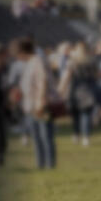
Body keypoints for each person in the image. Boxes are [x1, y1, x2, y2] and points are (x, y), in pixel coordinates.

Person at [16, 38, 57, 170]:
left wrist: (41, 101)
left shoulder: (37, 61)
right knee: (36, 137)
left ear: (22, 51)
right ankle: (40, 164)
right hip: (30, 106)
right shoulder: (29, 63)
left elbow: (42, 80)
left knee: (45, 136)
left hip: (39, 105)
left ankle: (49, 165)